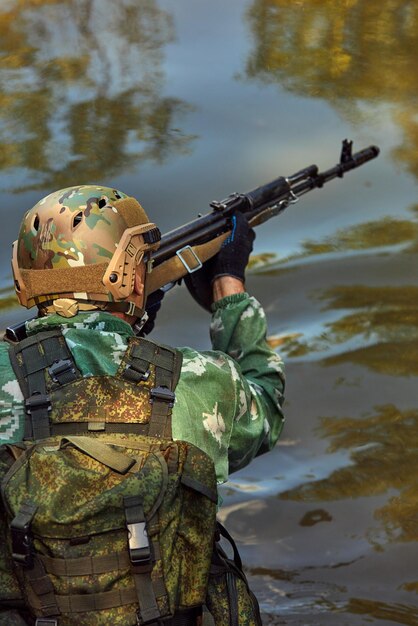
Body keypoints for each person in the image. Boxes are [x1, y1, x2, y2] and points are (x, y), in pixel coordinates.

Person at [0, 185, 285, 625]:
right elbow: (266, 407)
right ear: (134, 277)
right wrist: (229, 288)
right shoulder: (197, 379)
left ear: (22, 277)